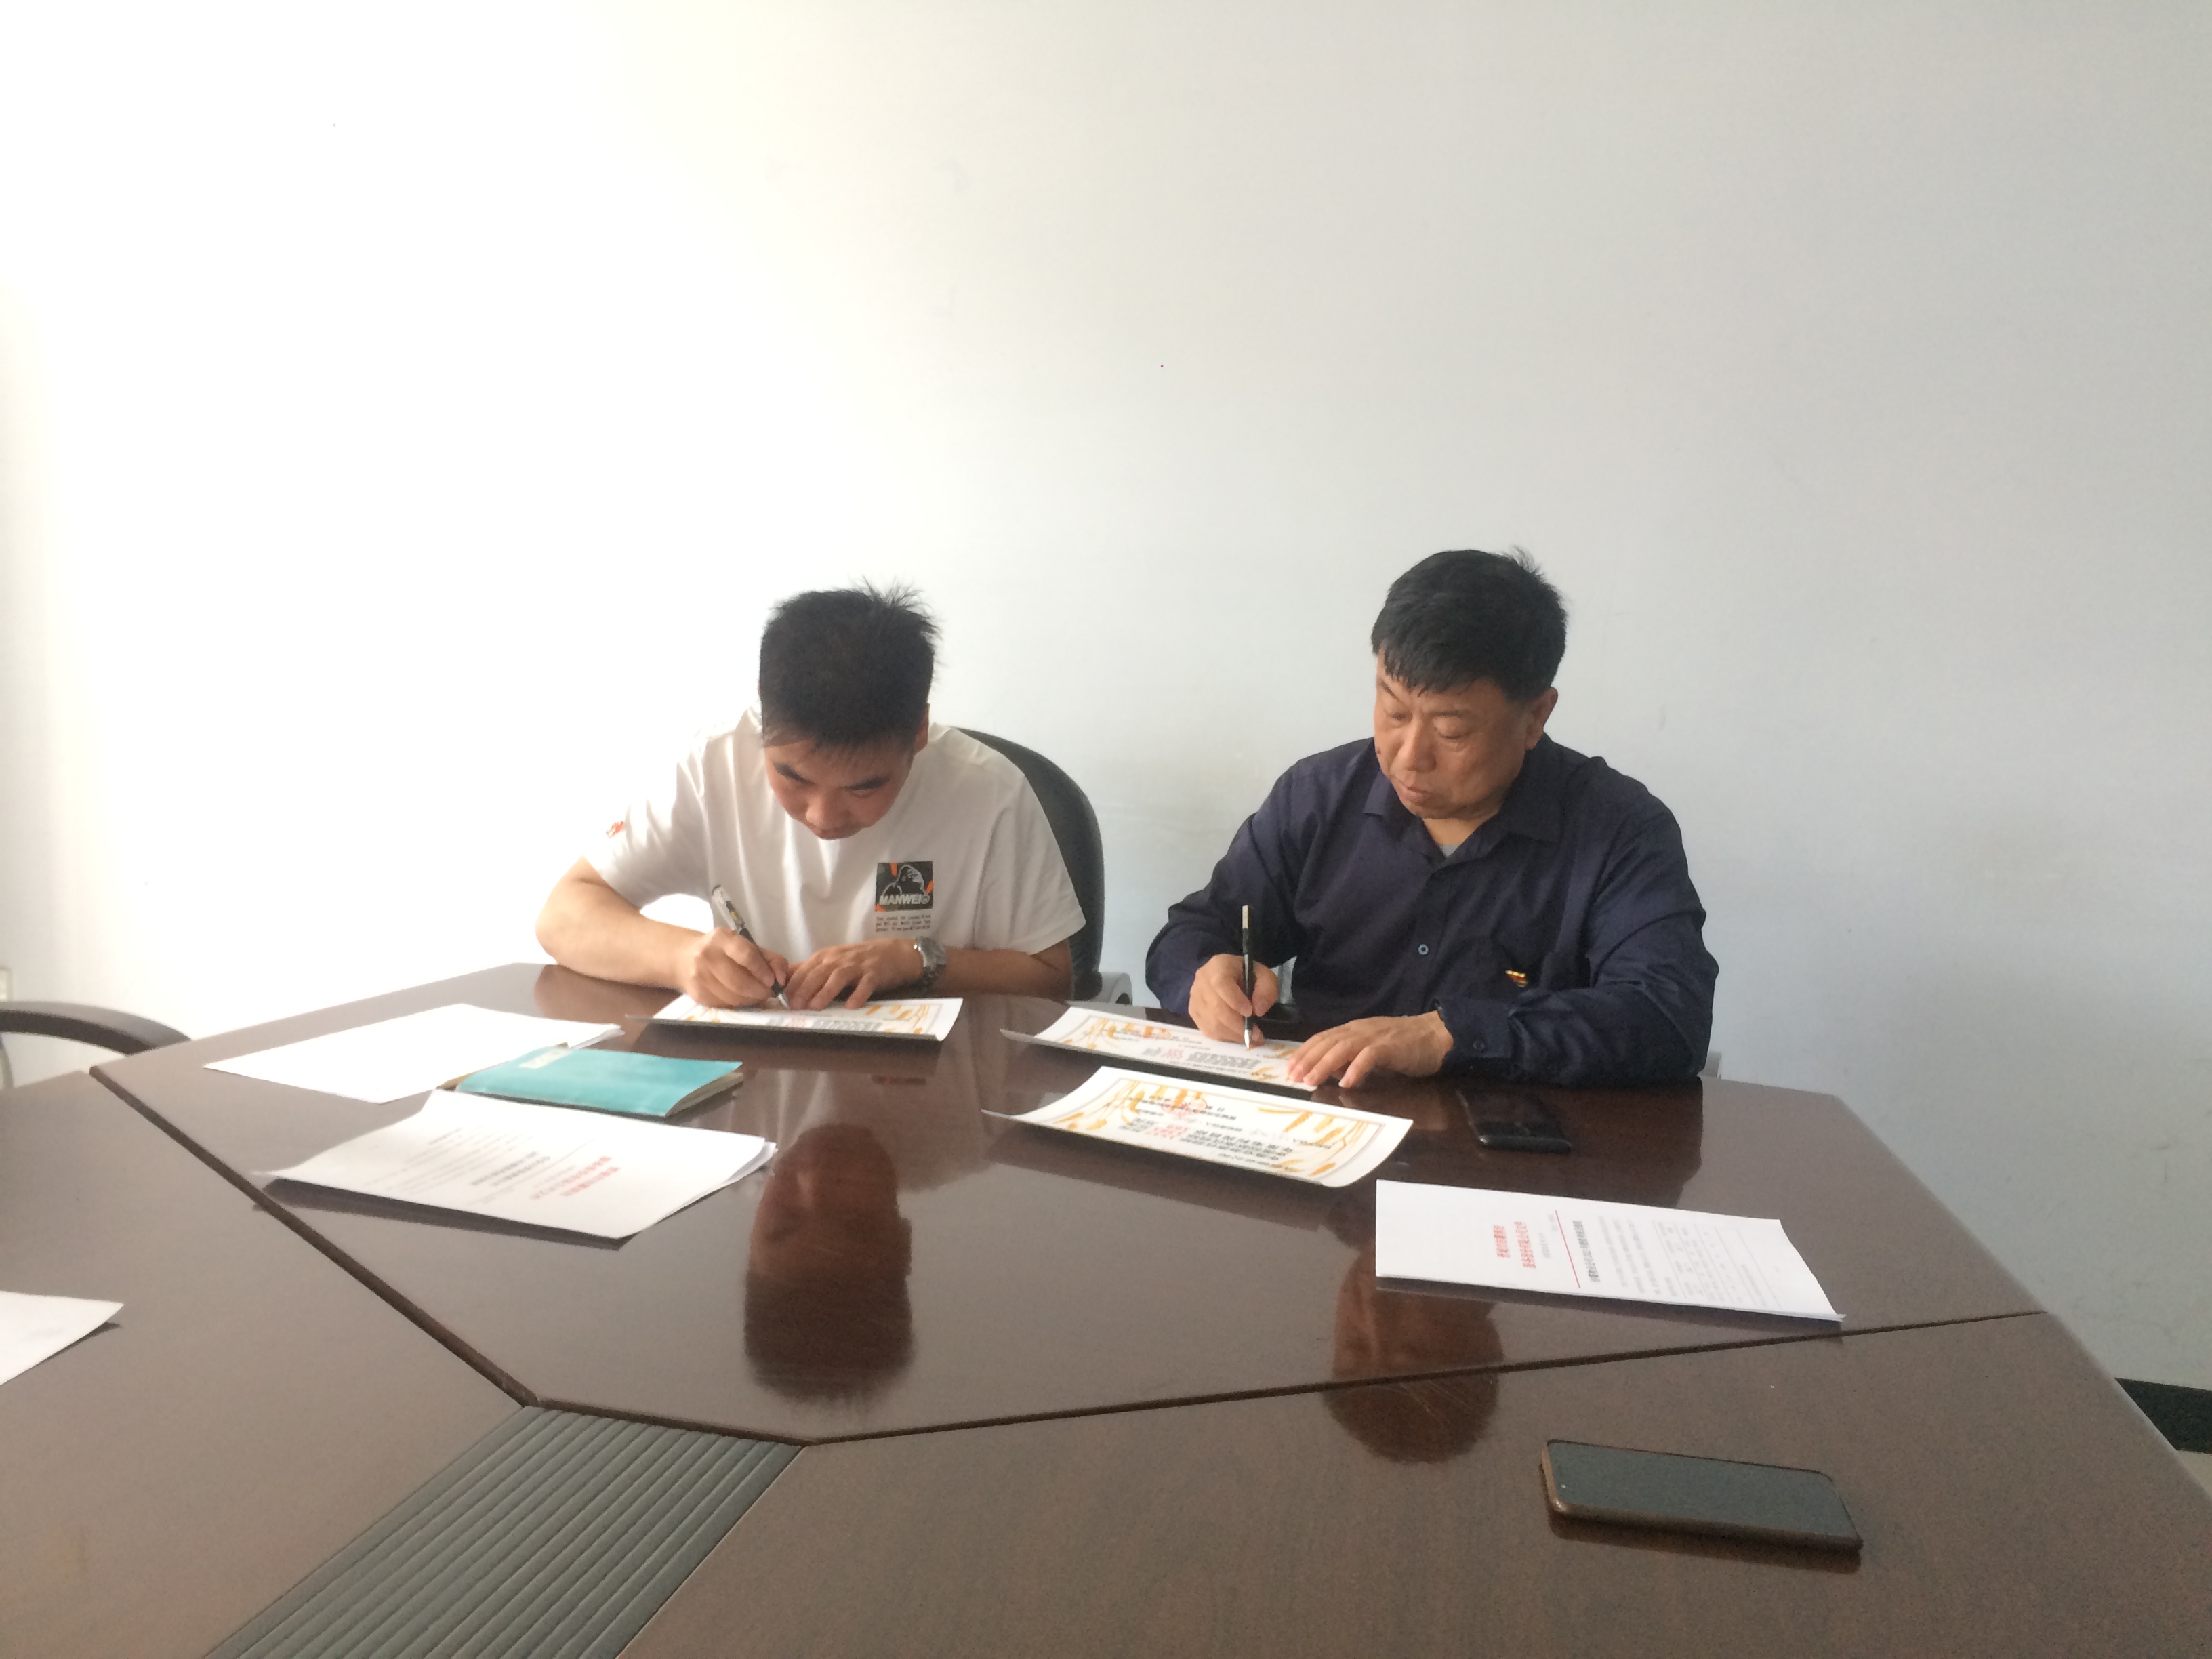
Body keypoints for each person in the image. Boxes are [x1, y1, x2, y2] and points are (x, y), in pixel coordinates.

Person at [1146, 550, 1716, 1088]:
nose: (1409, 756)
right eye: (1393, 711)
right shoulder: (1318, 797)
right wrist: (1204, 976)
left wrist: (1450, 1035)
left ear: (1535, 717)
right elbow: (1191, 933)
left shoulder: (1619, 829)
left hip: (1504, 1136)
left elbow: (1667, 1017)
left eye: (1451, 731)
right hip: (1322, 1114)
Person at [537, 583, 1085, 1009]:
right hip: (761, 1082)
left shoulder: (989, 792)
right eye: (793, 777)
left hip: (927, 1089)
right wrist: (681, 958)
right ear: (763, 710)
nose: (824, 817)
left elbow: (1051, 976)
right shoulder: (712, 767)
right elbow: (563, 914)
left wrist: (915, 961)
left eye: (865, 786)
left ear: (918, 732)